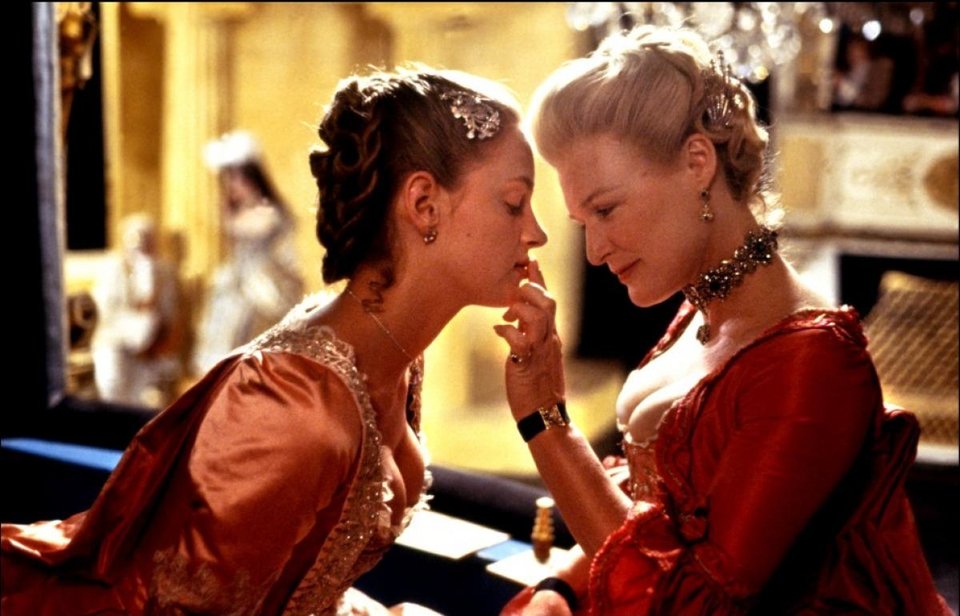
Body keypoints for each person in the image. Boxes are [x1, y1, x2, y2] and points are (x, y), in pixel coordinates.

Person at [2, 66, 546, 615]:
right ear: (424, 204)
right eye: (514, 203)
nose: (536, 232)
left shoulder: (395, 356)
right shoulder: (288, 404)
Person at [496, 26, 951, 615]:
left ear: (697, 162)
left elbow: (696, 605)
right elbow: (656, 518)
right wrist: (561, 585)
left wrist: (546, 420)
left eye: (606, 210)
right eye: (585, 223)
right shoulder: (702, 308)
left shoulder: (813, 362)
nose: (596, 251)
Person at [191, 130, 305, 375]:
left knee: (245, 317)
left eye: (236, 178)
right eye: (228, 179)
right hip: (237, 280)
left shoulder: (268, 211)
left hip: (263, 283)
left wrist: (231, 214)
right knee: (224, 310)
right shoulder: (240, 211)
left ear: (251, 178)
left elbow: (253, 229)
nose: (231, 186)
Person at [90, 213, 182, 407]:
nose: (141, 247)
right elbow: (104, 313)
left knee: (147, 398)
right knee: (113, 389)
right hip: (113, 342)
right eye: (136, 240)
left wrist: (154, 342)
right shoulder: (112, 268)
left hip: (150, 348)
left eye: (148, 241)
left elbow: (167, 316)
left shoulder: (164, 271)